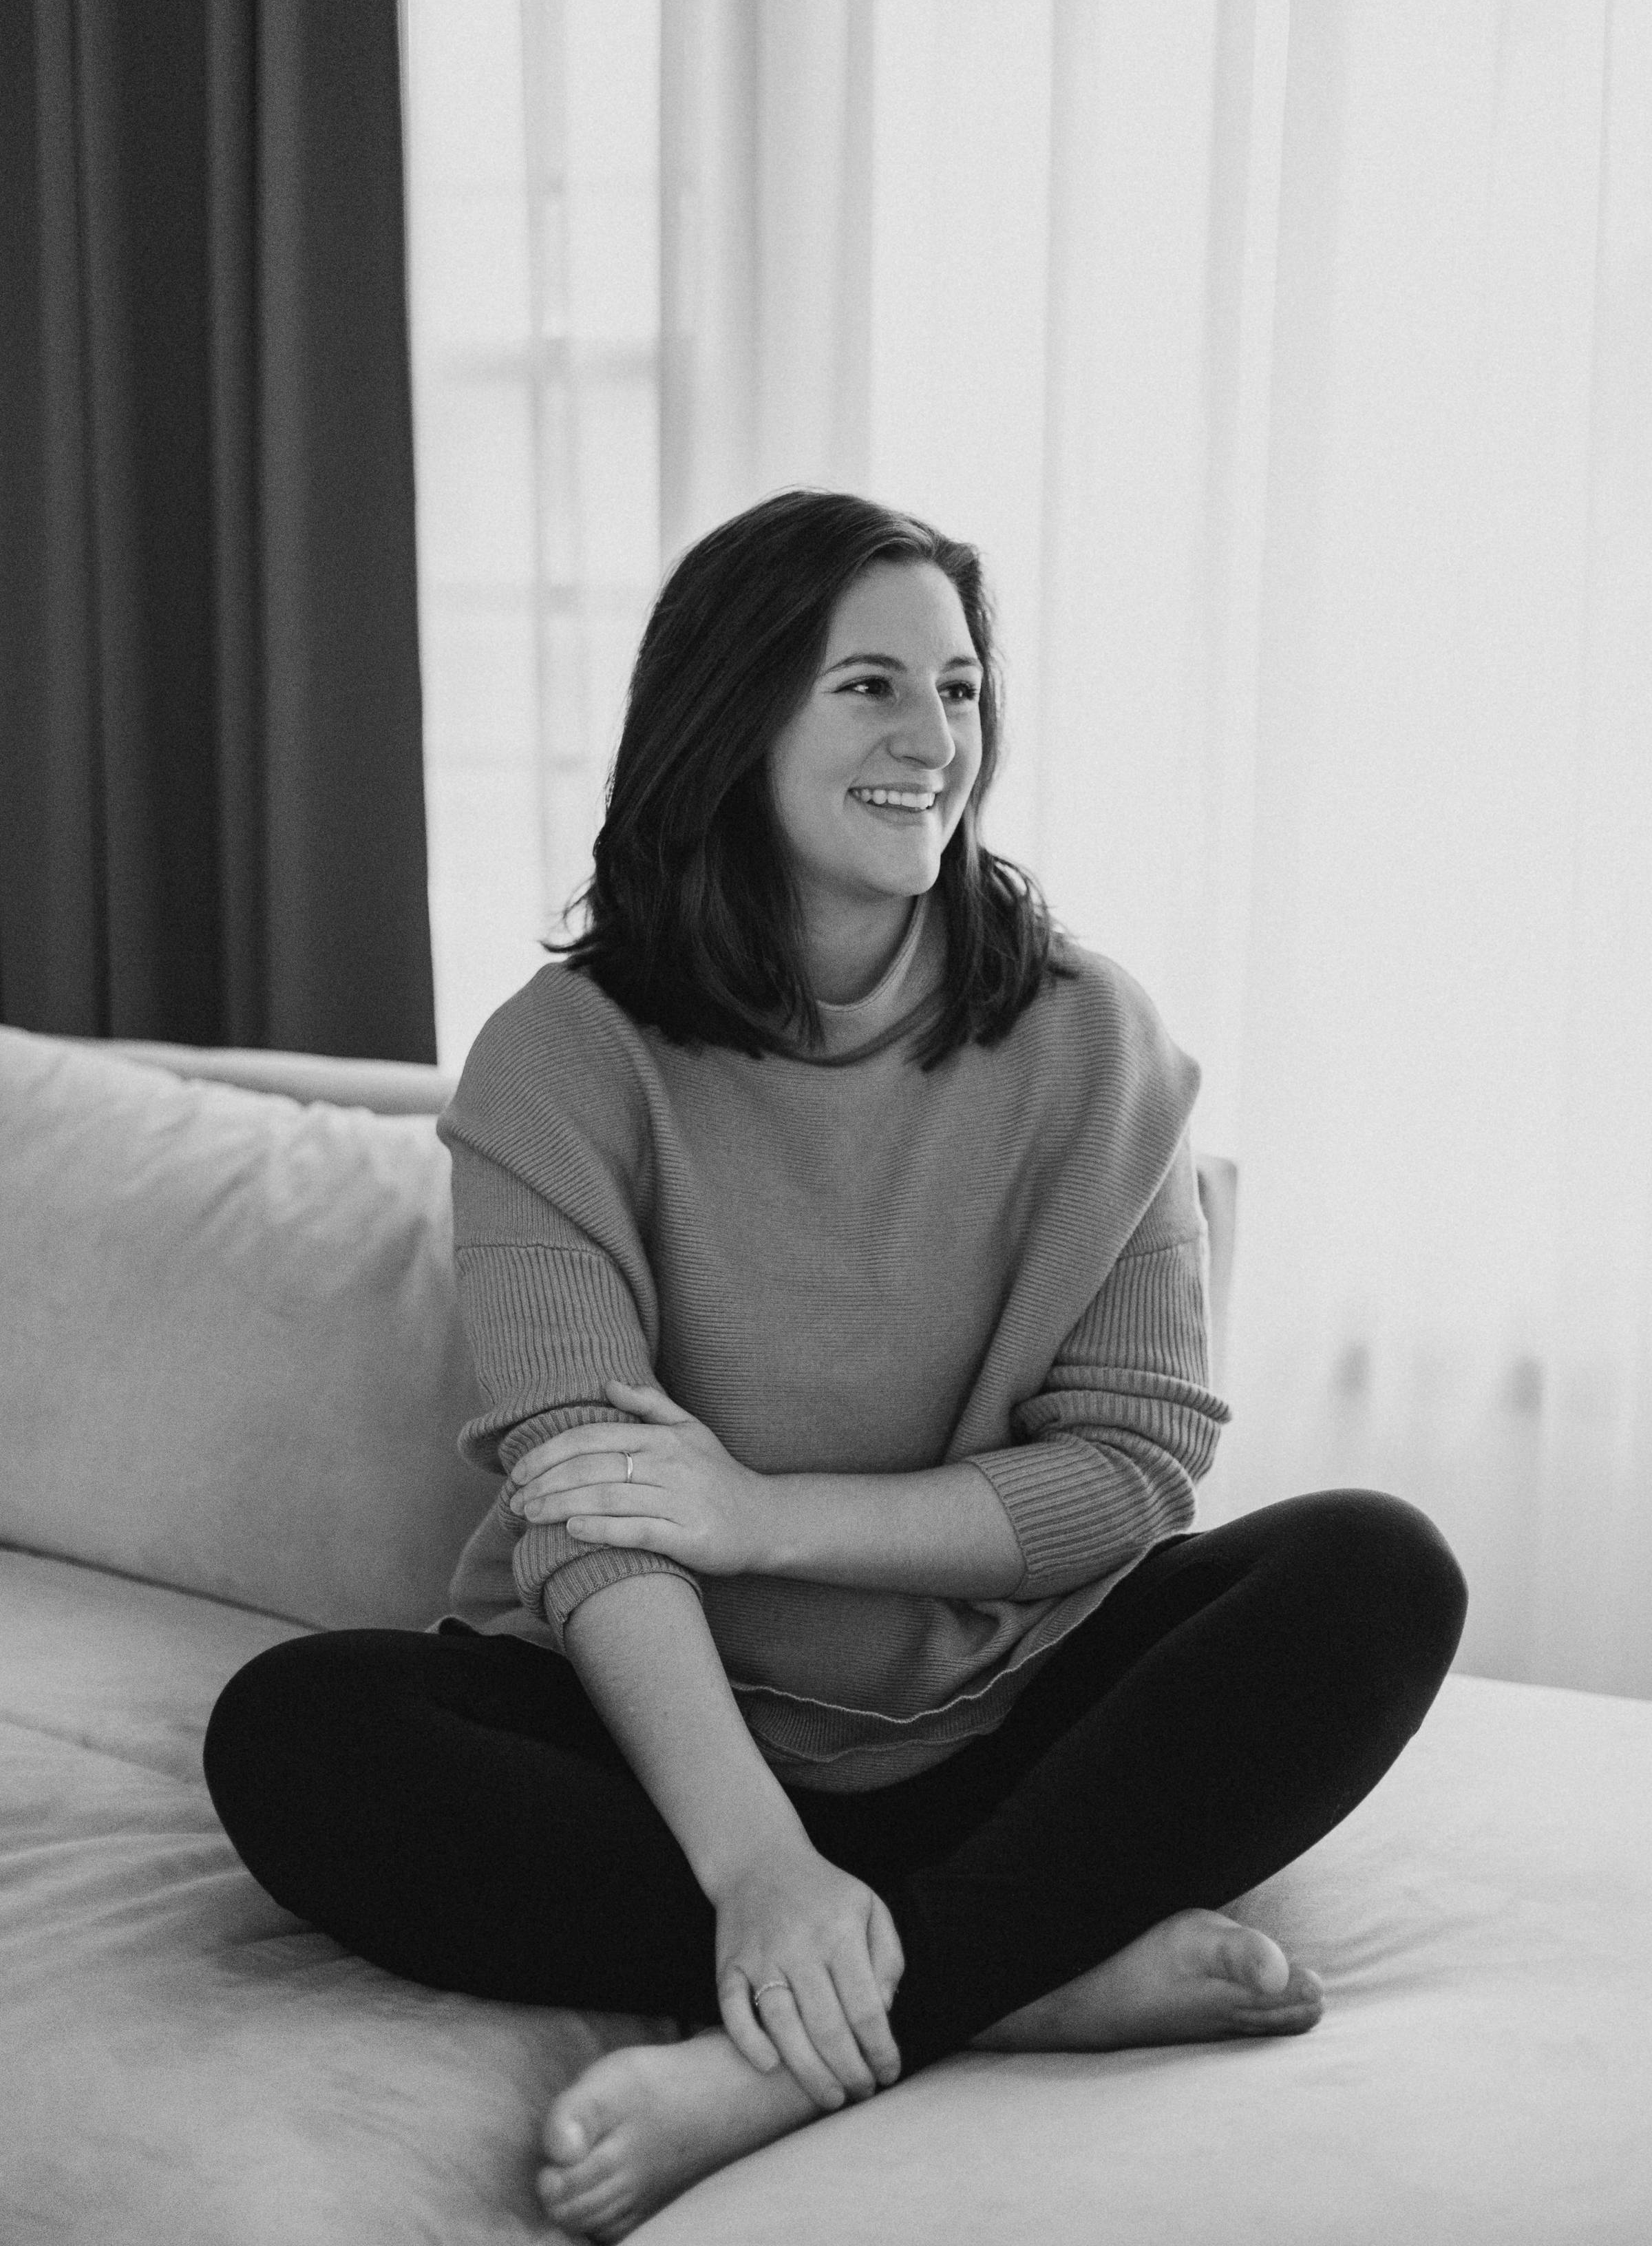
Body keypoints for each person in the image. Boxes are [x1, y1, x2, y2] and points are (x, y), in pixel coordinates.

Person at [204, 487, 1468, 2243]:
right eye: (868, 685)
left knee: (1374, 1571)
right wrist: (756, 1869)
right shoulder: (564, 1060)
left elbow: (1132, 1476)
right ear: (734, 719)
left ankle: (835, 2024)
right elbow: (589, 1514)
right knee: (297, 1739)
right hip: (654, 1736)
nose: (931, 740)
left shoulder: (1092, 1043)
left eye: (956, 692)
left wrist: (768, 1515)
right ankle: (1007, 1974)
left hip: (999, 1710)